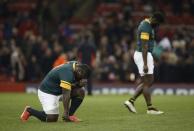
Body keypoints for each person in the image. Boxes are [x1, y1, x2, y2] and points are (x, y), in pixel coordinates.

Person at [20, 61, 91, 122]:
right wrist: (65, 112)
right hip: (47, 92)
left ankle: (70, 116)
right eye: (82, 77)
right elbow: (66, 94)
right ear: (79, 71)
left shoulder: (76, 66)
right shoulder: (67, 72)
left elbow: (71, 85)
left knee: (81, 91)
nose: (81, 79)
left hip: (58, 91)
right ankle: (29, 110)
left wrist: (79, 85)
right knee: (52, 118)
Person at [124, 12, 165, 115]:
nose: (158, 25)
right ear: (154, 19)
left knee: (147, 82)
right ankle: (149, 108)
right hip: (143, 55)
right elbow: (144, 46)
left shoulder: (146, 23)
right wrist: (146, 63)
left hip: (142, 55)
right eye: (158, 23)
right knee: (148, 82)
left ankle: (131, 101)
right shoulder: (146, 27)